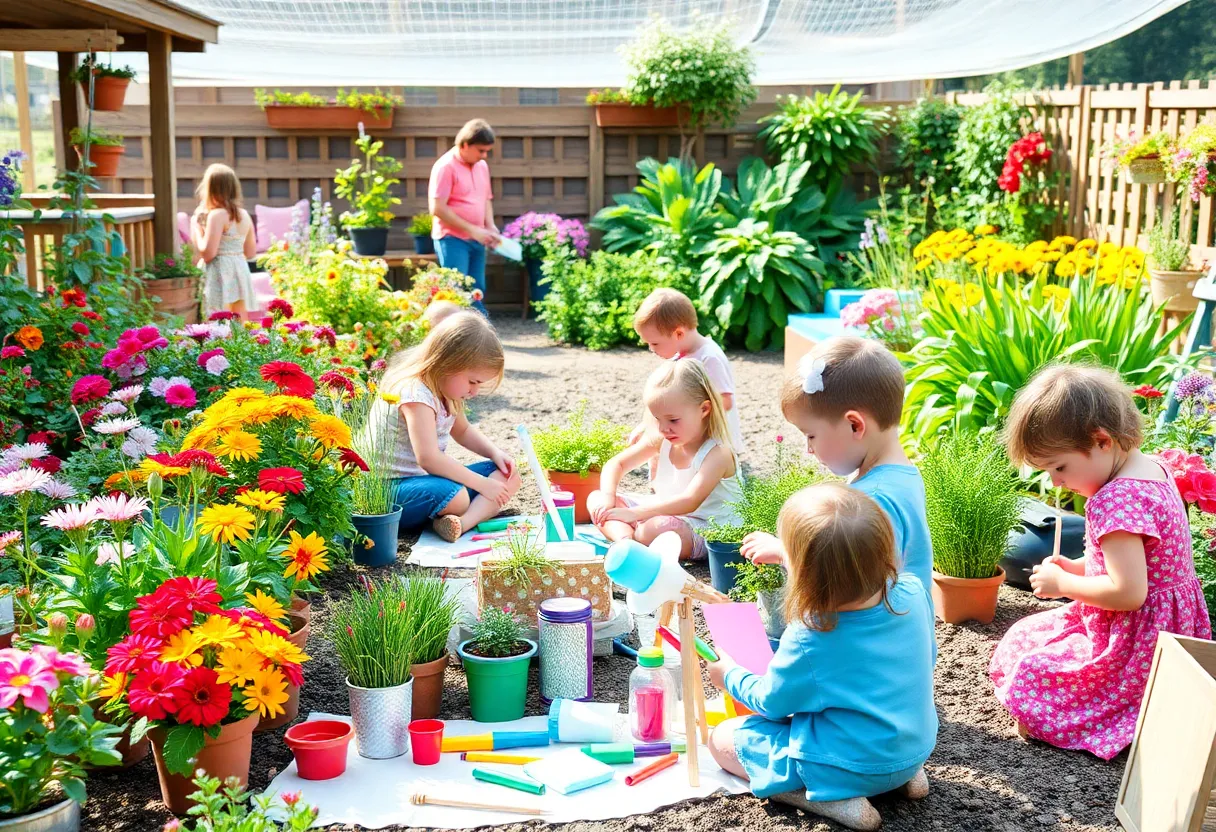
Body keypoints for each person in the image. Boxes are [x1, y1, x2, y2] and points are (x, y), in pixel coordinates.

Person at [990, 364, 1211, 759]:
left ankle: (1079, 719)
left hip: (1135, 644)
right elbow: (1144, 563)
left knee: (1031, 670)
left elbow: (1128, 592)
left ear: (1101, 440)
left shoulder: (1115, 500)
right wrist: (1078, 567)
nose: (1056, 482)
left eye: (1060, 467)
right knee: (1025, 637)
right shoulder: (1153, 469)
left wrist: (1064, 586)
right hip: (1170, 626)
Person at [707, 484, 937, 831]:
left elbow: (772, 703)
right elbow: (844, 567)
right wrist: (787, 554)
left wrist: (730, 675)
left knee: (723, 739)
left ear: (804, 576)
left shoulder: (812, 635)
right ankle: (903, 778)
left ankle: (831, 799)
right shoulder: (913, 593)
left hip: (847, 766)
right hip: (912, 749)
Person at [741, 337, 933, 592]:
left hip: (874, 631)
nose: (808, 449)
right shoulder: (903, 474)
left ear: (855, 425)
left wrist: (785, 553)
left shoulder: (872, 501)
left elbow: (850, 584)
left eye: (811, 435)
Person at [365, 311, 520, 542]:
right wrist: (481, 484)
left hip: (425, 481)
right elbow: (428, 458)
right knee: (457, 498)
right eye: (472, 382)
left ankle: (458, 524)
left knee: (509, 476)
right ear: (448, 362)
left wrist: (495, 453)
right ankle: (460, 512)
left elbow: (463, 431)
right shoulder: (415, 393)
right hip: (388, 489)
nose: (474, 391)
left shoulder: (446, 390)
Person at [588, 358, 742, 561]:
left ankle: (633, 539)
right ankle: (625, 543)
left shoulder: (718, 453)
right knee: (596, 499)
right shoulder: (663, 439)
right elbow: (616, 464)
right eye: (657, 419)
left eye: (673, 420)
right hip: (663, 511)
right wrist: (609, 499)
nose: (663, 428)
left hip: (707, 527)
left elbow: (690, 501)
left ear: (704, 409)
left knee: (658, 528)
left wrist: (636, 514)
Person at [630, 288, 743, 453]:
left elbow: (725, 401)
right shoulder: (680, 355)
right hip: (690, 437)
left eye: (654, 343)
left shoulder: (709, 358)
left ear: (678, 333)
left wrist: (688, 416)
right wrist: (648, 425)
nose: (651, 349)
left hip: (715, 445)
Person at [428, 119, 500, 313]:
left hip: (477, 238)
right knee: (458, 292)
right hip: (452, 240)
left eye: (487, 151)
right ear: (465, 144)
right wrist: (472, 230)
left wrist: (490, 226)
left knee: (477, 290)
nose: (484, 156)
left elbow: (486, 199)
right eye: (481, 150)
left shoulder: (481, 166)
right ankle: (469, 336)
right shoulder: (445, 167)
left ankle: (476, 337)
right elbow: (437, 208)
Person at [193, 163, 256, 317]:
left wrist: (197, 228)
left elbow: (208, 254)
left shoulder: (217, 215)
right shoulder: (244, 215)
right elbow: (250, 252)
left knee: (217, 319)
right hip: (239, 270)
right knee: (239, 321)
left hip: (220, 272)